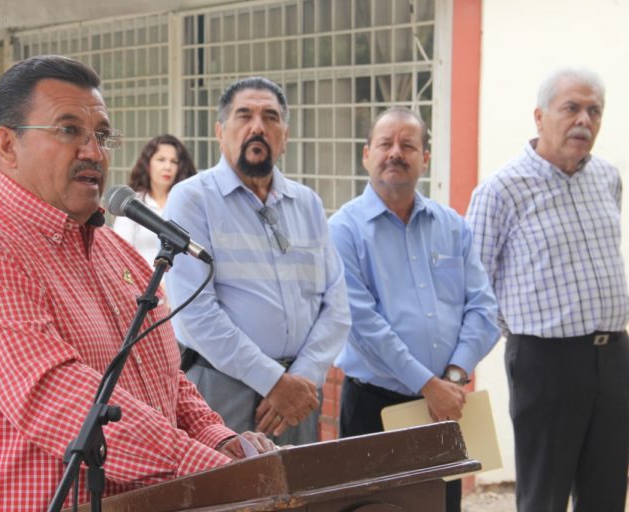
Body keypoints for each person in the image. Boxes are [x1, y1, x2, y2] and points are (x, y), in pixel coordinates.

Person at [0, 55, 275, 511]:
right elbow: (60, 399)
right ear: (7, 145)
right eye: (68, 130)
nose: (93, 152)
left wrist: (221, 442)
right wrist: (215, 472)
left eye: (101, 135)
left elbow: (166, 381)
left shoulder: (116, 253)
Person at [467, 68, 629, 512]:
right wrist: (523, 334)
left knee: (607, 494)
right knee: (545, 498)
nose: (584, 120)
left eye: (594, 110)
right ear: (540, 117)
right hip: (546, 363)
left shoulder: (607, 179)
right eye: (571, 108)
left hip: (614, 358)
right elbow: (473, 284)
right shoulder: (501, 190)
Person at [328, 108, 500, 512]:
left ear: (425, 157)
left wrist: (452, 378)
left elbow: (483, 307)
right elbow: (362, 323)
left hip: (446, 406)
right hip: (374, 408)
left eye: (408, 145)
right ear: (366, 154)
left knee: (442, 506)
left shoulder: (452, 225)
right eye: (385, 143)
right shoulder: (343, 229)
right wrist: (429, 385)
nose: (395, 153)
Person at [164, 77, 351, 445]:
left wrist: (302, 379)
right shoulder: (192, 199)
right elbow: (194, 314)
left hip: (299, 394)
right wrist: (272, 381)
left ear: (285, 134)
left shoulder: (307, 203)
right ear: (221, 131)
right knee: (230, 500)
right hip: (222, 390)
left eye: (270, 117)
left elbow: (337, 306)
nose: (257, 127)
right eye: (244, 115)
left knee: (301, 498)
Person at [113, 134, 196, 266]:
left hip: (180, 283)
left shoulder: (189, 204)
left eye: (174, 161)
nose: (167, 167)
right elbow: (120, 253)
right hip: (141, 282)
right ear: (148, 163)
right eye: (161, 159)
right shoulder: (131, 203)